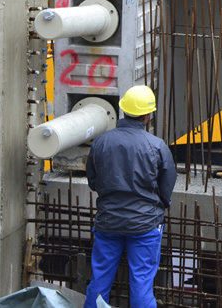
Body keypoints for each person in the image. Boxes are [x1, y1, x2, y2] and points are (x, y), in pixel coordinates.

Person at [83, 85, 177, 308]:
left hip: (108, 221)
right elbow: (167, 185)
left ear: (122, 109)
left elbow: (93, 181)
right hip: (145, 225)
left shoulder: (101, 142)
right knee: (141, 283)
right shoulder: (156, 146)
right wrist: (156, 207)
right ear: (147, 115)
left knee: (100, 279)